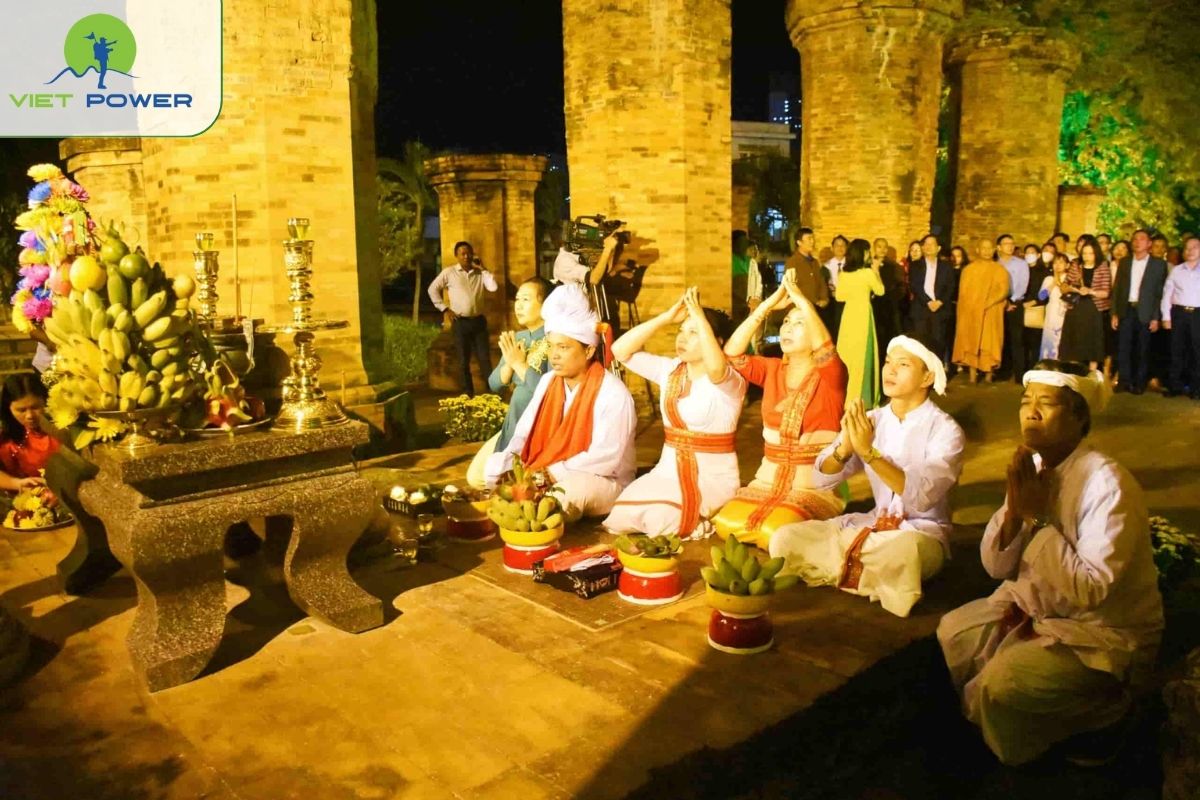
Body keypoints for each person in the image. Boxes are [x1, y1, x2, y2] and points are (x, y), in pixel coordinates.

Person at [937, 362, 1162, 766]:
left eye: (1047, 403)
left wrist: (1037, 520)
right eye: (1026, 402)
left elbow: (1090, 591)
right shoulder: (1036, 467)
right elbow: (995, 566)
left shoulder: (1106, 483)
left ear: (1079, 418)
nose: (1031, 412)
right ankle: (1029, 724)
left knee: (1005, 683)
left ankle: (1106, 715)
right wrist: (1012, 514)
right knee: (954, 632)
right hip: (1041, 610)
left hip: (1099, 631)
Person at [769, 336, 965, 618]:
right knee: (785, 538)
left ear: (927, 378)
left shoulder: (946, 431)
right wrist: (846, 448)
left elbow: (922, 496)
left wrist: (868, 452)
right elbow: (823, 480)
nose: (890, 370)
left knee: (903, 553)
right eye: (887, 363)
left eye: (903, 364)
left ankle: (844, 566)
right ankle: (864, 573)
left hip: (919, 534)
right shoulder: (872, 420)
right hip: (871, 525)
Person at [712, 273, 848, 549]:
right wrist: (764, 308)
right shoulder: (772, 369)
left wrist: (801, 300)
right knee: (726, 525)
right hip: (767, 481)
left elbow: (825, 350)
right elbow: (732, 354)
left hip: (814, 486)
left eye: (799, 324)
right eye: (786, 322)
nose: (788, 329)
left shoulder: (832, 376)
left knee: (775, 533)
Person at [485, 284, 636, 522]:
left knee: (560, 496)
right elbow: (523, 433)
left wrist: (547, 474)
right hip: (545, 470)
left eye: (563, 347)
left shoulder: (613, 393)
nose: (554, 355)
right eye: (551, 346)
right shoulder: (548, 382)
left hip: (602, 480)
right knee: (493, 469)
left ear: (588, 351)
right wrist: (509, 464)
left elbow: (604, 459)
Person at [603, 289, 744, 538]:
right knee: (621, 516)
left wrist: (700, 316)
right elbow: (620, 350)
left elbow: (716, 368)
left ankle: (700, 519)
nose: (683, 338)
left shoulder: (729, 381)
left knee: (660, 519)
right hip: (667, 471)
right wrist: (666, 318)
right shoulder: (670, 371)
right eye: (682, 331)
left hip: (711, 478)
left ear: (717, 340)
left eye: (694, 333)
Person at [466, 277, 553, 488]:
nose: (519, 305)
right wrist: (508, 365)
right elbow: (494, 384)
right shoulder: (518, 338)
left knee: (502, 483)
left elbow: (549, 392)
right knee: (476, 477)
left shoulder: (555, 340)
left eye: (526, 299)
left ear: (546, 305)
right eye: (517, 299)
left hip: (538, 431)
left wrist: (520, 365)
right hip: (511, 426)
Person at [428, 241, 498, 397]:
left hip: (478, 321)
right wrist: (444, 308)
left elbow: (493, 287)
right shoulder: (449, 273)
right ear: (457, 256)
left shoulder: (480, 273)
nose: (466, 256)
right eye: (462, 254)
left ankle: (491, 392)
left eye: (468, 253)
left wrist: (484, 269)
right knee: (463, 360)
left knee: (484, 359)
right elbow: (432, 289)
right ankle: (468, 392)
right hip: (460, 322)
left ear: (473, 254)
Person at [1111, 229, 1168, 394]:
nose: (1137, 242)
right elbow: (1117, 289)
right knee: (1124, 346)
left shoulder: (1158, 264)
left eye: (1142, 239)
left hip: (1146, 311)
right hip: (1126, 308)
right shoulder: (1125, 262)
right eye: (1135, 239)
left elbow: (1160, 293)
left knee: (1143, 348)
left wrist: (1156, 317)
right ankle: (1124, 381)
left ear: (1149, 243)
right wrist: (1114, 313)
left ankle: (1139, 382)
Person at [952, 238, 1010, 383]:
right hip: (971, 313)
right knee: (971, 341)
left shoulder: (999, 269)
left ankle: (989, 375)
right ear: (977, 250)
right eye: (983, 248)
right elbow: (963, 294)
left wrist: (988, 302)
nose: (987, 251)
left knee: (989, 343)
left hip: (991, 311)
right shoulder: (969, 270)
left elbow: (1003, 290)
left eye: (989, 248)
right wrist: (973, 308)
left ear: (994, 250)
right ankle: (972, 374)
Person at [836, 239, 884, 406]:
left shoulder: (844, 274)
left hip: (848, 316)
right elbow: (880, 290)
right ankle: (864, 399)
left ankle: (846, 396)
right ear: (863, 253)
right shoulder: (867, 273)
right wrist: (876, 271)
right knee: (864, 355)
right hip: (863, 315)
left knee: (848, 355)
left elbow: (839, 296)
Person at [0, 374, 59, 492]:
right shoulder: (5, 438)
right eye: (21, 410)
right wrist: (16, 483)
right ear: (9, 409)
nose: (30, 416)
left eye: (35, 407)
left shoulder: (63, 430)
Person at [1059, 238, 1110, 370]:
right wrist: (1072, 288)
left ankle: (1092, 372)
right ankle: (1074, 370)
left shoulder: (1103, 266)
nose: (1087, 256)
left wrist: (1090, 291)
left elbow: (1105, 292)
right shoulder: (1076, 264)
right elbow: (1064, 285)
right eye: (1085, 253)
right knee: (1074, 339)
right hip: (1076, 306)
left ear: (1096, 253)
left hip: (1093, 307)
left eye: (1090, 253)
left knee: (1092, 341)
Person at [1161, 235, 1200, 399]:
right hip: (1179, 313)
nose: (1190, 251)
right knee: (1176, 350)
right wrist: (1165, 316)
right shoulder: (1177, 270)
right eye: (1187, 248)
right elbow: (1167, 294)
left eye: (1194, 247)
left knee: (1197, 351)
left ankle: (1196, 387)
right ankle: (1175, 385)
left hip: (1197, 315)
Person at [908, 234, 956, 361]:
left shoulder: (946, 266)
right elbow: (914, 285)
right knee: (921, 342)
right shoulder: (915, 265)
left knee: (938, 342)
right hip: (921, 309)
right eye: (926, 244)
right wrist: (928, 301)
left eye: (932, 244)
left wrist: (940, 301)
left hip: (940, 309)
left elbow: (951, 286)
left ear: (938, 248)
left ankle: (937, 373)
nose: (928, 247)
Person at [996, 234, 1030, 383]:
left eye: (1012, 243)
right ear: (999, 247)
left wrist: (1011, 300)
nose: (1010, 246)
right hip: (998, 305)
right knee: (1000, 339)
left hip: (1015, 304)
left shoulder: (1021, 264)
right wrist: (1002, 302)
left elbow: (1023, 284)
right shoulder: (995, 264)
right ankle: (1002, 371)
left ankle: (1019, 374)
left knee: (1017, 340)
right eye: (1006, 243)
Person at [870, 237, 908, 362]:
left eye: (885, 247)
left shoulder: (894, 266)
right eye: (879, 246)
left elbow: (901, 287)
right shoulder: (866, 266)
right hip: (871, 307)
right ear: (874, 248)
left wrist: (891, 298)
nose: (882, 249)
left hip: (889, 309)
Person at [1039, 253, 1072, 360]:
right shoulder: (1048, 279)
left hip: (1065, 311)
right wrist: (1053, 282)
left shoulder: (1070, 278)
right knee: (1049, 340)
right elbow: (1041, 296)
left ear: (1067, 265)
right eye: (1055, 262)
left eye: (1061, 262)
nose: (1057, 265)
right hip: (1052, 312)